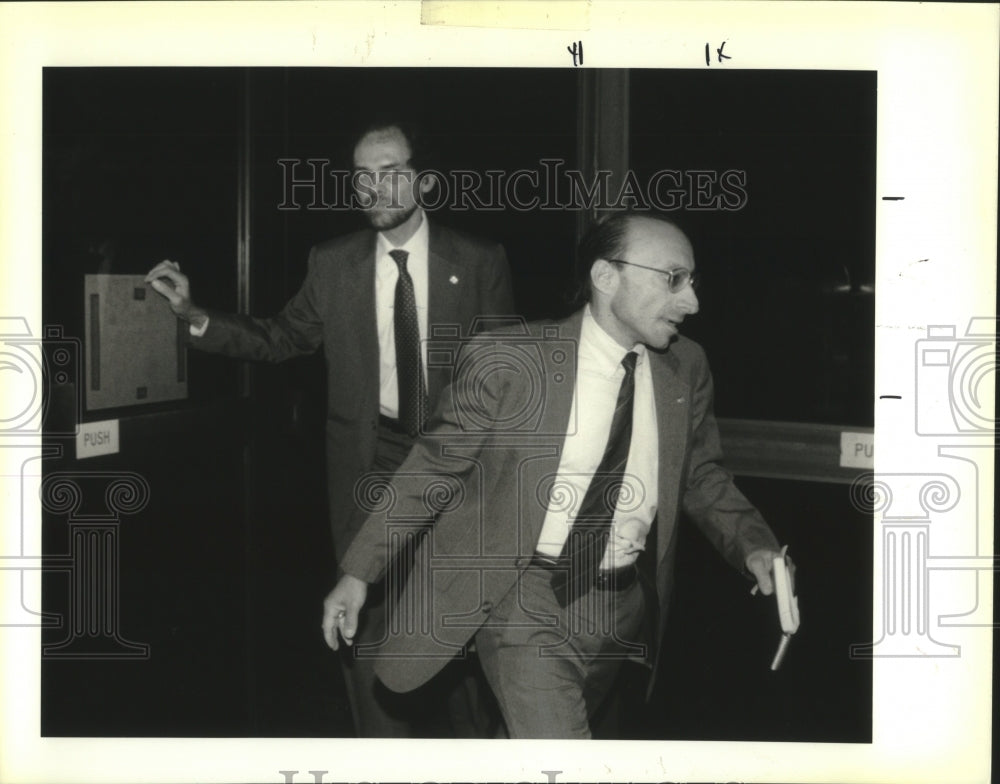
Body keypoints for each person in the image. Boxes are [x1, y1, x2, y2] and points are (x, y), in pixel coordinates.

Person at [321, 212, 790, 739]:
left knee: (531, 747)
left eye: (692, 282)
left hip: (623, 605)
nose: (691, 302)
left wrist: (754, 545)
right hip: (526, 598)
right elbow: (432, 468)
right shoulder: (510, 360)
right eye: (672, 279)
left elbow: (701, 475)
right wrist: (359, 571)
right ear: (606, 276)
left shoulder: (685, 366)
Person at [145, 120, 514, 737]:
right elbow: (281, 337)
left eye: (390, 171)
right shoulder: (333, 263)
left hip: (454, 465)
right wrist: (193, 315)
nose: (375, 188)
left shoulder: (478, 261)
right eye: (363, 177)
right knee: (363, 617)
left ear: (421, 178)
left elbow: (504, 377)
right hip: (369, 460)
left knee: (458, 623)